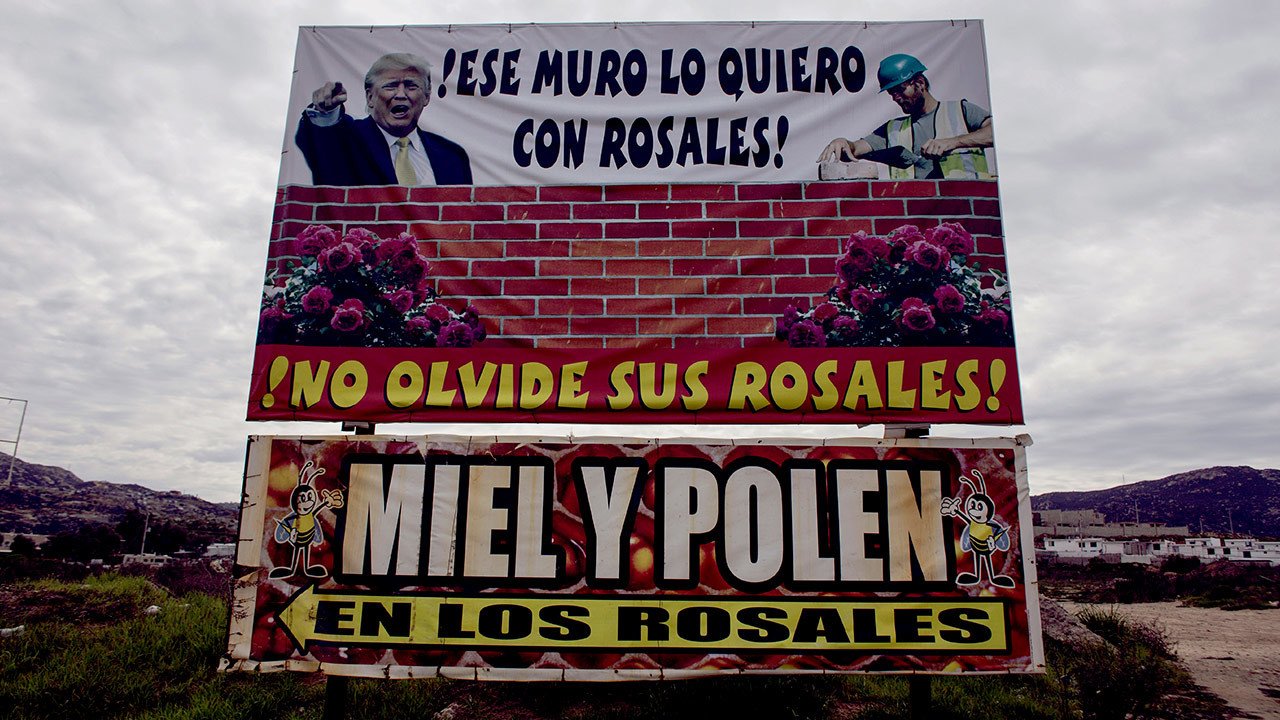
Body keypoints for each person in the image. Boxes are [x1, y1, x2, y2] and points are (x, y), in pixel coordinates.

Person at [296, 52, 472, 186]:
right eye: (391, 86)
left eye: (411, 86)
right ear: (370, 97)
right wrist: (325, 112)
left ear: (426, 96)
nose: (401, 94)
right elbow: (322, 140)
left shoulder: (452, 156)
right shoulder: (346, 139)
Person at [817, 53, 993, 179]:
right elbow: (855, 149)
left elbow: (994, 134)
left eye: (900, 90)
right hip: (918, 213)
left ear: (920, 83)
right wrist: (843, 143)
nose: (896, 98)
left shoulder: (960, 110)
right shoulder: (893, 129)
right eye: (891, 93)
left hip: (967, 208)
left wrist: (953, 142)